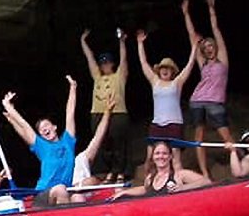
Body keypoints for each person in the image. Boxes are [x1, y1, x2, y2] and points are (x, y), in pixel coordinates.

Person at [0, 76, 78, 206]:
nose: (44, 129)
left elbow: (70, 113)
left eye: (46, 125)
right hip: (43, 195)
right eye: (41, 130)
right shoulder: (42, 146)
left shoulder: (68, 142)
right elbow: (24, 126)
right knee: (61, 190)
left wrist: (73, 88)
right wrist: (8, 107)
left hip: (64, 193)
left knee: (77, 197)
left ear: (55, 127)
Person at [183, 0, 232, 178]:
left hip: (215, 103)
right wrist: (186, 13)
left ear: (215, 47)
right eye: (206, 47)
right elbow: (191, 36)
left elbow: (216, 29)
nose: (208, 48)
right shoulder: (202, 62)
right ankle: (204, 173)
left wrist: (212, 9)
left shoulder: (223, 61)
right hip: (197, 101)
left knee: (225, 135)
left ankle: (239, 162)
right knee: (199, 138)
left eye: (211, 45)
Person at [136, 28, 199, 170]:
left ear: (172, 72)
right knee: (150, 158)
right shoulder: (154, 81)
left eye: (168, 68)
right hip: (157, 124)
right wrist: (140, 43)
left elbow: (190, 64)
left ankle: (178, 188)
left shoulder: (177, 82)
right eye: (163, 68)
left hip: (174, 123)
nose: (165, 70)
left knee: (175, 159)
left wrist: (194, 46)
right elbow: (144, 63)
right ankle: (150, 188)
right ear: (159, 70)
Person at [80, 28, 135, 182]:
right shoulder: (97, 77)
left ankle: (120, 172)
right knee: (102, 145)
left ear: (112, 64)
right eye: (102, 63)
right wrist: (83, 41)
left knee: (119, 144)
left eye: (107, 62)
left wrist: (122, 42)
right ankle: (108, 171)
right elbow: (89, 59)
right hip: (98, 113)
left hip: (118, 113)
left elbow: (124, 60)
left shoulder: (119, 76)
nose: (105, 65)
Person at [111, 140, 211, 199]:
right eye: (157, 153)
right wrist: (123, 192)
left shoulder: (180, 175)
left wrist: (183, 188)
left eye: (164, 153)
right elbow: (145, 189)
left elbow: (206, 182)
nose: (161, 157)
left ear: (170, 156)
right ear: (153, 157)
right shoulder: (150, 178)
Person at [68, 95, 117, 203]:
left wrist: (107, 112)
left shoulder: (80, 159)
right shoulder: (54, 164)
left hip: (82, 199)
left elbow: (98, 137)